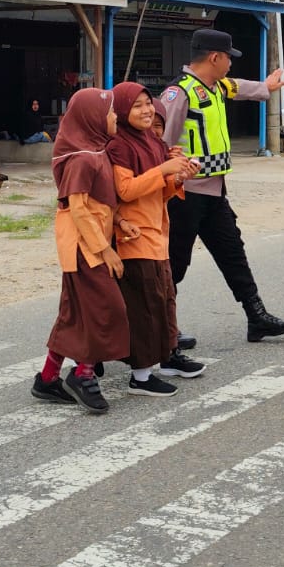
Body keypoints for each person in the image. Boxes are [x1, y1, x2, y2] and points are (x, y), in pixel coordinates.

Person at [160, 28, 284, 343]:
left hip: (214, 193)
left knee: (232, 253)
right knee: (174, 263)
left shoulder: (217, 86)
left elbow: (241, 88)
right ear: (215, 57)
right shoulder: (179, 94)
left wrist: (267, 87)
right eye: (229, 58)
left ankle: (257, 316)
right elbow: (157, 142)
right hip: (184, 195)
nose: (231, 65)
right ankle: (164, 327)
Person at [30, 88, 128, 414]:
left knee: (74, 312)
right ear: (93, 119)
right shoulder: (83, 159)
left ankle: (47, 378)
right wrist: (105, 251)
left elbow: (99, 205)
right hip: (84, 248)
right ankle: (83, 374)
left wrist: (120, 224)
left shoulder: (96, 151)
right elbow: (78, 210)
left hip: (90, 244)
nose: (115, 117)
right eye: (110, 113)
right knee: (106, 308)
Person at [106, 82, 205, 395]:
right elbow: (126, 190)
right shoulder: (119, 145)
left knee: (163, 299)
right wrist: (164, 167)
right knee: (144, 305)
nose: (147, 110)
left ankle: (165, 358)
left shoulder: (152, 140)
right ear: (122, 111)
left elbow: (159, 191)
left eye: (148, 103)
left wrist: (177, 177)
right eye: (137, 106)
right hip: (132, 234)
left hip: (157, 233)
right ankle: (141, 376)